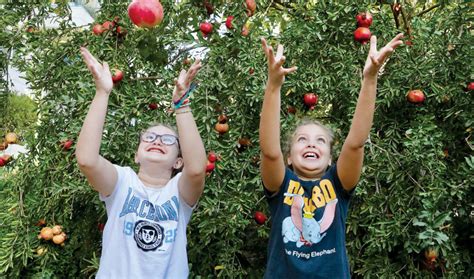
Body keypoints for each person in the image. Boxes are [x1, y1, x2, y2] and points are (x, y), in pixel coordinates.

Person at [259, 33, 404, 278]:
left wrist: (370, 79)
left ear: (329, 159)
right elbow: (270, 152)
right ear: (290, 158)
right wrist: (273, 86)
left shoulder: (337, 184)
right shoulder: (281, 185)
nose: (311, 145)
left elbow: (356, 143)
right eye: (302, 140)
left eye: (320, 141)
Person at [76, 47, 207, 278]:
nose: (157, 141)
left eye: (167, 139)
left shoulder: (179, 193)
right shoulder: (121, 182)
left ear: (178, 161)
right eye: (149, 137)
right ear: (137, 155)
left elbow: (196, 169)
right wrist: (102, 93)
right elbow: (87, 160)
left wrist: (181, 105)